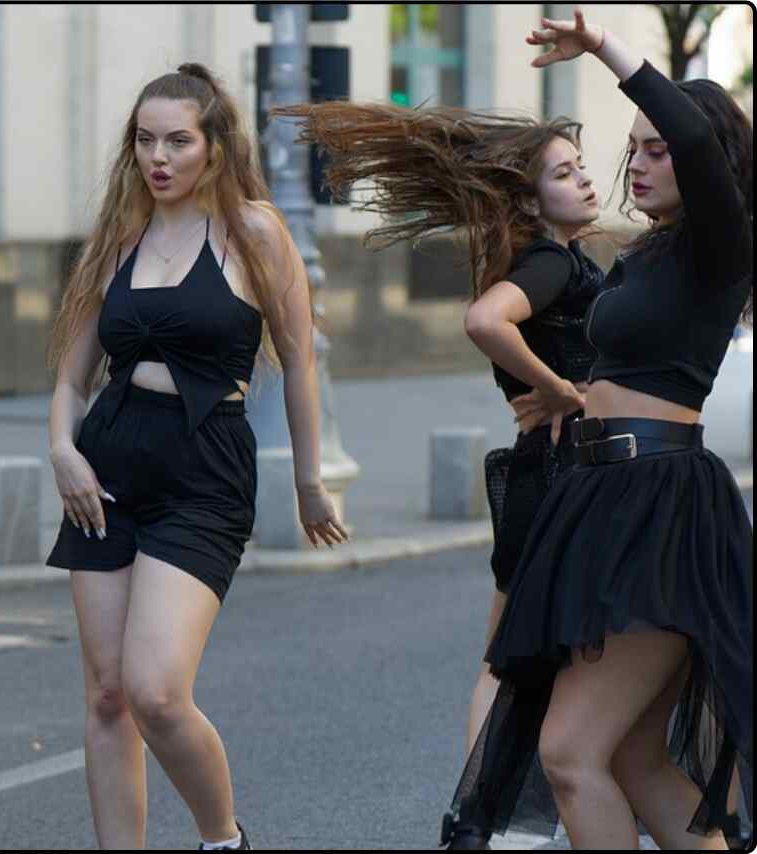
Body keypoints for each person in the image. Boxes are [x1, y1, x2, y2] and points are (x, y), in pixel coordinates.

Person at [446, 9, 753, 850]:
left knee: (570, 751)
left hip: (659, 507)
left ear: (705, 161)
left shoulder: (721, 245)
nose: (641, 161)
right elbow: (623, 362)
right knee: (636, 763)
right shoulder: (646, 254)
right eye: (636, 147)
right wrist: (569, 393)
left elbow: (695, 131)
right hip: (601, 498)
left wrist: (607, 49)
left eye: (659, 149)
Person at [274, 94, 607, 847]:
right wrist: (556, 388)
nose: (586, 182)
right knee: (548, 658)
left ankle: (478, 821)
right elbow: (485, 322)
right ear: (529, 196)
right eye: (565, 173)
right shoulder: (550, 262)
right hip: (562, 480)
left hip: (541, 476)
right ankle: (493, 818)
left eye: (583, 168)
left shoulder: (553, 258)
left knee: (509, 657)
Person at [44, 62, 349, 851]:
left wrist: (310, 480)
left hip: (206, 467)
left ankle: (222, 838)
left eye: (178, 140)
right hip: (107, 463)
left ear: (215, 147)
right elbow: (73, 374)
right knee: (108, 695)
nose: (160, 157)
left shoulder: (254, 232)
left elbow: (299, 359)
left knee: (156, 691)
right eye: (146, 140)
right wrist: (60, 451)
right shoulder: (117, 239)